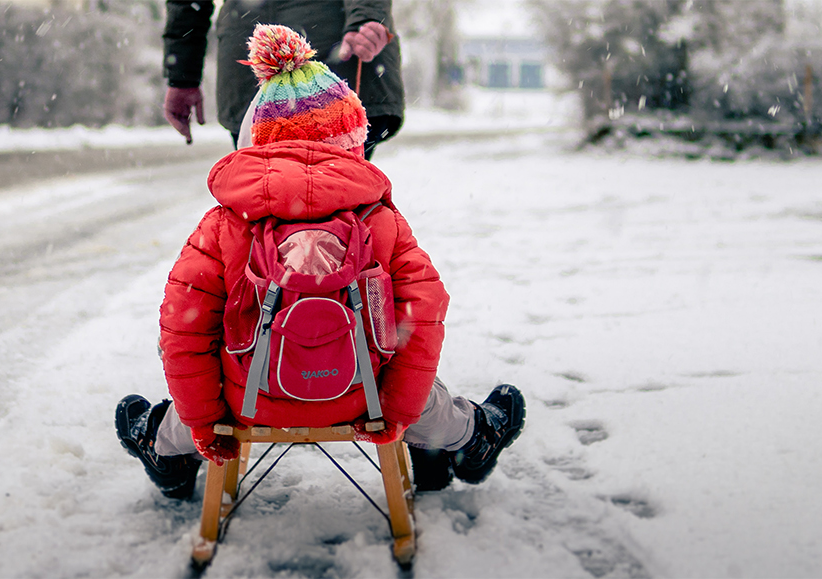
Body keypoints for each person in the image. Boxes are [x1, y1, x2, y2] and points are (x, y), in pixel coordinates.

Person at [117, 25, 522, 500]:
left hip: (248, 404)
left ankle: (164, 446)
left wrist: (206, 424)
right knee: (421, 389)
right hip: (360, 398)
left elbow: (183, 330)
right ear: (352, 141)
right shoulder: (381, 221)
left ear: (259, 140)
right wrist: (395, 411)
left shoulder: (224, 224)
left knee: (201, 376)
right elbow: (424, 312)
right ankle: (472, 436)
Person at [161, 0, 405, 159]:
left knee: (270, 206)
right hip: (267, 69)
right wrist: (182, 76)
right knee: (342, 205)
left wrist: (366, 17)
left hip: (330, 57)